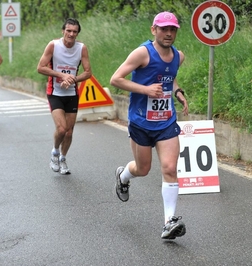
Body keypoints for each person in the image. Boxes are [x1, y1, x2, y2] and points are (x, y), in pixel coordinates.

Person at [110, 11, 189, 240]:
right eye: (164, 29)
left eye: (172, 29)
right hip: (141, 121)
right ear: (153, 30)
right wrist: (145, 90)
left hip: (166, 121)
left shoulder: (178, 56)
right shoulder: (142, 53)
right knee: (142, 169)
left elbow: (168, 77)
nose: (168, 33)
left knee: (169, 168)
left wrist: (178, 92)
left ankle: (169, 222)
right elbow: (116, 79)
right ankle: (123, 176)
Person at [37, 18, 92, 175]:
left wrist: (72, 79)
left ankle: (63, 158)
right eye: (68, 31)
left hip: (72, 93)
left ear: (77, 33)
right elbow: (40, 67)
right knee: (61, 129)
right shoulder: (53, 45)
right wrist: (61, 75)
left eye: (74, 31)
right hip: (55, 92)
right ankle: (54, 152)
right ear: (63, 31)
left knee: (69, 132)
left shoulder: (81, 48)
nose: (71, 34)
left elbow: (88, 72)